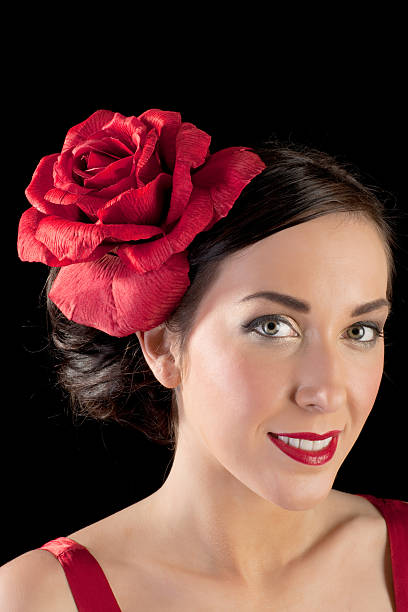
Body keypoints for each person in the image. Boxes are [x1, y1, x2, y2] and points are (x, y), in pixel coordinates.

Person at [1, 108, 407, 610]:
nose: (326, 392)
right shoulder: (40, 597)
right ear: (162, 346)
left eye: (360, 330)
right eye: (272, 327)